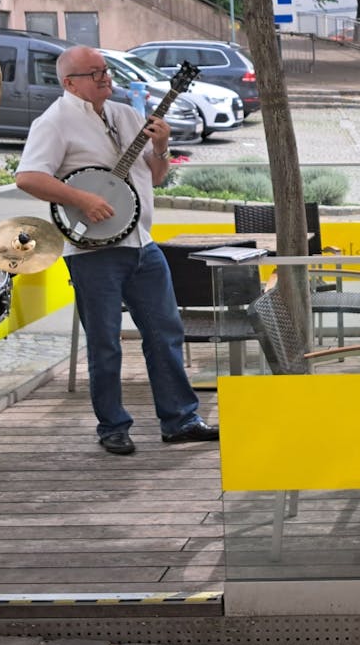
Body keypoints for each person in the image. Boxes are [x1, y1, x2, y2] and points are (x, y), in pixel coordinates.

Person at [15, 46, 217, 455]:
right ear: (69, 82)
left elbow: (155, 178)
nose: (105, 77)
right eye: (94, 73)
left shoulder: (126, 115)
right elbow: (28, 177)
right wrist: (82, 200)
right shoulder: (53, 122)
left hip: (142, 243)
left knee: (165, 332)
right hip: (93, 251)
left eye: (105, 70)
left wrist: (162, 147)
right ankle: (112, 426)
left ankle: (179, 419)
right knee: (105, 342)